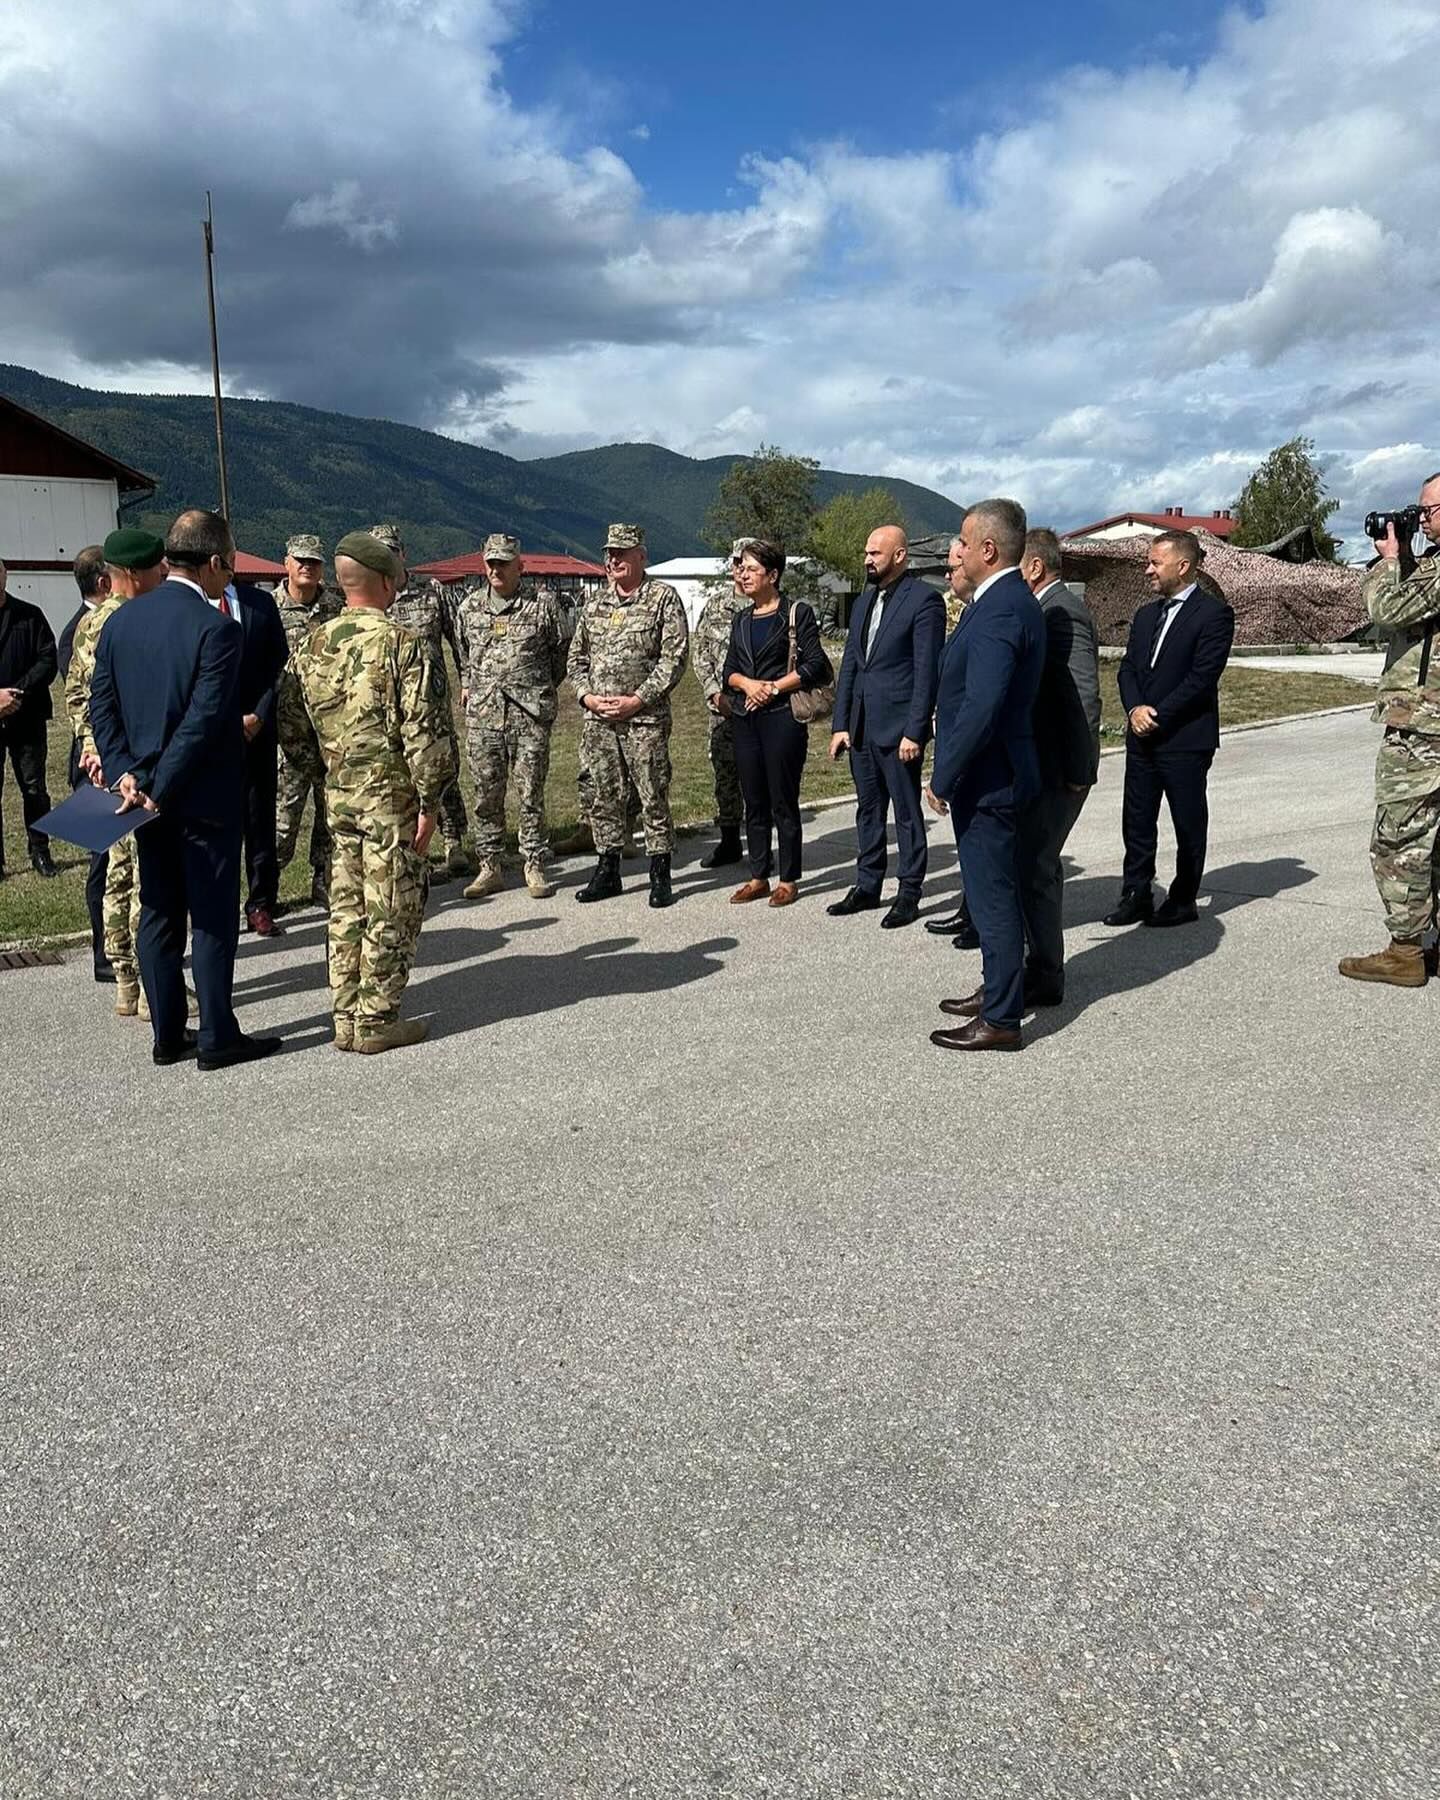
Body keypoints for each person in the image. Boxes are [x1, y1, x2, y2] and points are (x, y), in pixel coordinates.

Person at [89, 510, 281, 1071]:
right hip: (201, 799)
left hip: (142, 799)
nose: (231, 578)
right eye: (231, 566)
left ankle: (169, 1035)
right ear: (216, 562)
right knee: (214, 916)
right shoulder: (218, 628)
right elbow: (203, 718)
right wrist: (161, 785)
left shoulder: (119, 623)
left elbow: (103, 708)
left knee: (159, 911)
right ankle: (218, 1036)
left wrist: (129, 774)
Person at [297, 531, 457, 1054]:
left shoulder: (312, 643)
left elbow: (290, 725)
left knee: (345, 906)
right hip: (392, 799)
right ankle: (376, 1020)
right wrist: (431, 803)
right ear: (387, 582)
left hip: (339, 794)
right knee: (392, 903)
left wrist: (325, 772)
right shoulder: (402, 645)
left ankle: (345, 1015)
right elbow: (426, 734)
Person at [928, 499, 1046, 1053]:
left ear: (988, 550)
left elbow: (983, 706)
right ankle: (999, 987)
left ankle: (1002, 1018)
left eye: (964, 541)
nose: (959, 549)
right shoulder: (1000, 600)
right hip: (995, 771)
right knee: (994, 893)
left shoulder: (1002, 608)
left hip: (989, 776)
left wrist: (943, 775)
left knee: (992, 897)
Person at [65, 528, 173, 1020]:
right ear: (132, 574)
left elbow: (76, 697)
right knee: (146, 875)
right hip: (138, 764)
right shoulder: (140, 618)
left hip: (107, 763)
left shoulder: (89, 625)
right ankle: (153, 989)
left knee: (116, 873)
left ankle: (126, 984)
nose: (165, 574)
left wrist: (91, 746)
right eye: (158, 568)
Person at [1105, 530, 1235, 928]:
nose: (1147, 570)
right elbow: (1128, 669)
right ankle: (1136, 893)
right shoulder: (1146, 616)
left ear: (1183, 565)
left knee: (1188, 821)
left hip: (1183, 738)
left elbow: (1201, 679)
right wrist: (1133, 711)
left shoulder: (1213, 615)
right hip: (1141, 737)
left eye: (1154, 563)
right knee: (1137, 819)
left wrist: (1155, 714)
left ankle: (1183, 898)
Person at [1340, 472, 1440, 987]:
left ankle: (1405, 951)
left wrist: (1388, 560)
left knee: (1400, 839)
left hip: (1425, 729)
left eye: (1429, 512)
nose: (1421, 521)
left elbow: (1389, 609)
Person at [827, 525, 945, 928]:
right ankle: (867, 885)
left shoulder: (925, 601)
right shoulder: (862, 602)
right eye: (866, 552)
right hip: (861, 728)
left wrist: (915, 730)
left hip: (899, 732)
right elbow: (851, 668)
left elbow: (926, 672)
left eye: (875, 553)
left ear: (899, 556)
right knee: (868, 811)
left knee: (907, 813)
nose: (867, 559)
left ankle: (909, 892)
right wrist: (840, 723)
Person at [567, 523, 690, 908]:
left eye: (622, 552)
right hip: (599, 721)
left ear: (641, 555)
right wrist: (586, 697)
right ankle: (608, 869)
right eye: (609, 553)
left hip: (644, 719)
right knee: (603, 795)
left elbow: (674, 658)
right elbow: (576, 659)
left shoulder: (662, 599)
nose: (614, 559)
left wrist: (638, 699)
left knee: (652, 791)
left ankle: (660, 871)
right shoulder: (595, 604)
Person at [1015, 527, 1101, 1005]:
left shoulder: (1061, 611)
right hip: (1046, 761)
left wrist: (1079, 768)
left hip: (1061, 767)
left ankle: (1046, 975)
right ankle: (1037, 965)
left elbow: (1083, 693)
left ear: (1034, 566)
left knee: (1037, 867)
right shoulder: (1046, 608)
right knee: (1031, 865)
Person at [456, 532, 568, 901]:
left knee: (530, 793)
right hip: (484, 717)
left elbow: (561, 653)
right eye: (491, 562)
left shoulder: (542, 605)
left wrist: (536, 687)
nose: (496, 569)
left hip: (528, 716)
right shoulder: (469, 607)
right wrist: (472, 685)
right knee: (486, 795)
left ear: (520, 565)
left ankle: (533, 863)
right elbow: (464, 655)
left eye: (504, 562)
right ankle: (490, 866)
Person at [720, 539, 829, 906]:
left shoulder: (796, 614)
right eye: (741, 569)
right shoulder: (741, 619)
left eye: (751, 569)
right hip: (745, 718)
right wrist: (749, 685)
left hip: (782, 717)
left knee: (783, 799)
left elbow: (815, 665)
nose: (743, 575)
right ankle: (758, 875)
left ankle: (788, 878)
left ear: (773, 574)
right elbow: (729, 671)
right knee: (754, 799)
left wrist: (772, 688)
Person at [368, 524, 473, 881]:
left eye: (392, 551)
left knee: (442, 769)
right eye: (379, 552)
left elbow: (459, 640)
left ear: (403, 554)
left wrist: (467, 681)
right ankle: (413, 849)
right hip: (388, 705)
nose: (387, 558)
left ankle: (455, 842)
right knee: (401, 774)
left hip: (432, 700)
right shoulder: (371, 597)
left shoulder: (431, 593)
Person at [274, 534, 342, 911]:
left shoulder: (335, 608)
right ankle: (267, 887)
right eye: (300, 560)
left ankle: (323, 878)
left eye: (314, 562)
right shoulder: (269, 608)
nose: (307, 567)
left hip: (329, 726)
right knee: (284, 813)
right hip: (287, 730)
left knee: (329, 810)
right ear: (286, 563)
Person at [59, 545, 114, 977]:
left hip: (101, 755)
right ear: (103, 583)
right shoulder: (80, 631)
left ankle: (115, 949)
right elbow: (81, 701)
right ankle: (104, 953)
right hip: (96, 759)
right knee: (104, 859)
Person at [925, 531, 980, 950]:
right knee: (968, 844)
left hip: (977, 756)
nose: (948, 575)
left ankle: (980, 918)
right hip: (955, 744)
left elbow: (980, 701)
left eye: (953, 566)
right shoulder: (965, 613)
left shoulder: (989, 616)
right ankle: (970, 910)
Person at [689, 538, 757, 870]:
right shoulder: (716, 606)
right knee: (725, 776)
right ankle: (729, 842)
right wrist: (714, 693)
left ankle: (763, 848)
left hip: (762, 710)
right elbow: (700, 653)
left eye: (747, 564)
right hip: (723, 710)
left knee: (762, 779)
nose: (740, 571)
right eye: (736, 564)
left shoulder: (774, 606)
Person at [230, 579, 289, 937]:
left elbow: (277, 664)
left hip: (256, 729)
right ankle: (216, 908)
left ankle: (261, 903)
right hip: (207, 736)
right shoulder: (187, 603)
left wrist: (260, 713)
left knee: (259, 819)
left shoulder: (259, 603)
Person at [0, 555, 59, 878]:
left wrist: (17, 692)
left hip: (27, 715)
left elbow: (48, 659)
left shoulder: (29, 616)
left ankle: (40, 851)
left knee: (34, 788)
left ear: (5, 574)